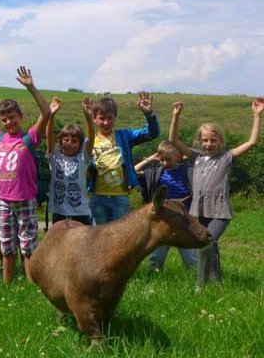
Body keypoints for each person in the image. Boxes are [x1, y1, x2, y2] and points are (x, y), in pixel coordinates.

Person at [169, 98, 264, 286]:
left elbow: (252, 142)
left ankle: (200, 284)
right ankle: (216, 283)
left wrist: (256, 115)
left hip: (220, 211)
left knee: (207, 241)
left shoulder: (226, 157)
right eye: (205, 140)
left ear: (220, 140)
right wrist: (175, 117)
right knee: (209, 246)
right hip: (199, 209)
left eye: (213, 140)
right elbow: (173, 140)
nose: (209, 144)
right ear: (199, 141)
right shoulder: (196, 156)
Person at [0, 67, 50, 284]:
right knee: (7, 246)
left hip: (25, 200)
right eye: (4, 119)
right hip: (4, 201)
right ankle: (7, 287)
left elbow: (46, 113)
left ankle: (32, 286)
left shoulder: (29, 138)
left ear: (20, 117)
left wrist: (31, 87)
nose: (9, 122)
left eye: (12, 117)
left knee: (28, 247)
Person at [89, 92, 160, 225]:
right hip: (97, 197)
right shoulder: (89, 141)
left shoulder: (124, 136)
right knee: (98, 239)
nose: (106, 122)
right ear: (94, 119)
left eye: (110, 118)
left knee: (121, 240)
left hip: (120, 197)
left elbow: (152, 133)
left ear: (115, 118)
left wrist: (149, 114)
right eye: (102, 118)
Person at [135, 141, 197, 274]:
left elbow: (200, 158)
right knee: (157, 255)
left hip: (183, 220)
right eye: (161, 159)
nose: (164, 163)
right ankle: (152, 277)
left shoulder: (188, 171)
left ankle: (196, 278)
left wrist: (185, 152)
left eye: (168, 159)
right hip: (163, 220)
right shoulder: (155, 173)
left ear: (179, 157)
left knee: (190, 256)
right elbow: (133, 171)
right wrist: (150, 159)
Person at [45, 96, 95, 226]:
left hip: (80, 213)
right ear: (60, 142)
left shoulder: (82, 157)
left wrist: (89, 119)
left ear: (80, 145)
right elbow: (48, 136)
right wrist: (51, 116)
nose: (69, 143)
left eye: (74, 141)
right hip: (59, 212)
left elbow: (91, 139)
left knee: (83, 244)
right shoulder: (55, 156)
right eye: (66, 140)